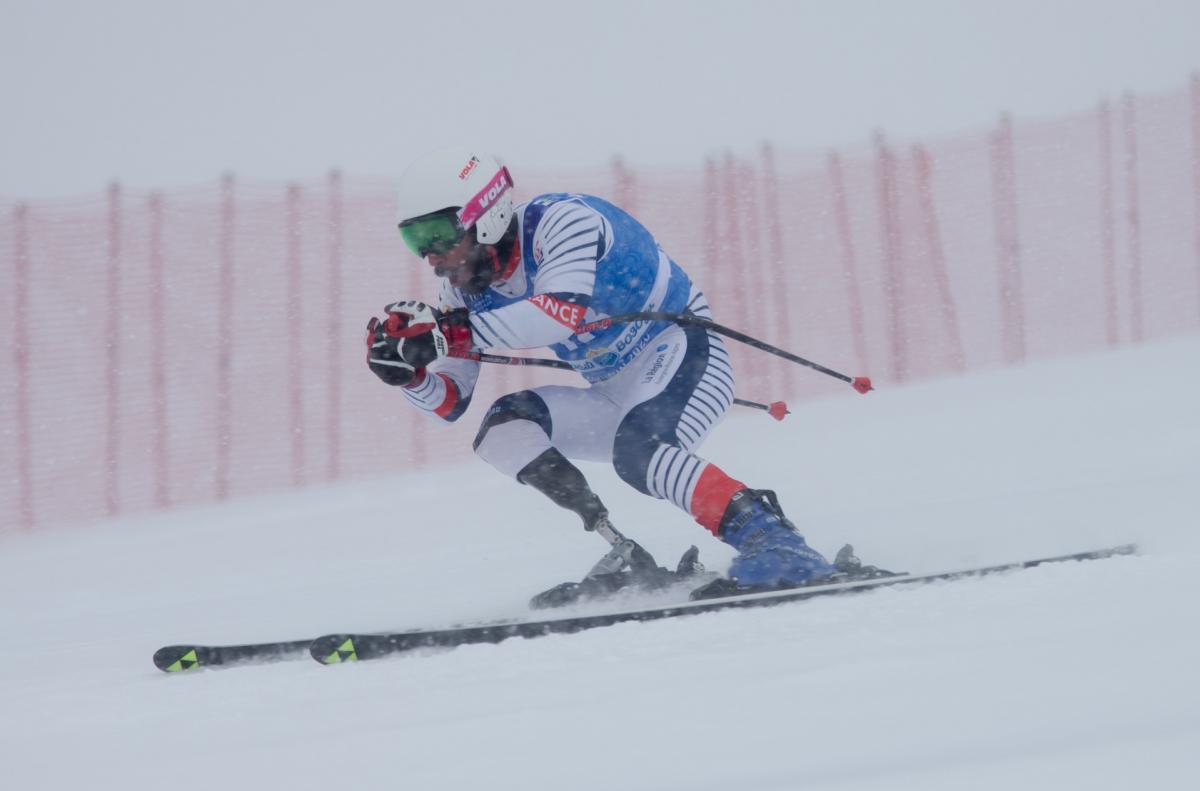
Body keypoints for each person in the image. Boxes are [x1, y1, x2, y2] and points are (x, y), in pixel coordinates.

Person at [366, 147, 833, 591]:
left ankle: (774, 540)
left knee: (639, 451)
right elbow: (448, 403)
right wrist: (408, 374)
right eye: (415, 240)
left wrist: (449, 335)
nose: (431, 256)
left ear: (484, 215)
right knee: (503, 431)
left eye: (438, 234)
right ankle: (624, 549)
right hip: (613, 390)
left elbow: (557, 312)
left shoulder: (564, 220)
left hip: (682, 352)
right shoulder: (461, 294)